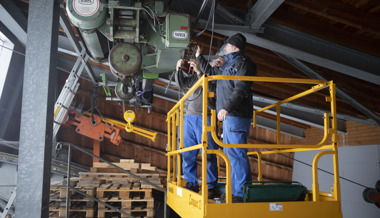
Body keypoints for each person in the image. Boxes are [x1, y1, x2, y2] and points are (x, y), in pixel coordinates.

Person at [194, 33, 257, 203]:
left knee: (236, 153)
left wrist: (226, 108)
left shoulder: (243, 63)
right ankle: (237, 190)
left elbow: (241, 88)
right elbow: (210, 73)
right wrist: (199, 57)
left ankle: (240, 193)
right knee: (231, 154)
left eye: (227, 45)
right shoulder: (227, 64)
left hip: (236, 115)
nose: (225, 47)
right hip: (230, 116)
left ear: (234, 47)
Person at [174, 57, 219, 199]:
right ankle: (191, 183)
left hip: (207, 117)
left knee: (209, 153)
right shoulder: (194, 78)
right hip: (189, 119)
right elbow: (181, 84)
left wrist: (200, 71)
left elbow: (210, 87)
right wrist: (178, 69)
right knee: (188, 153)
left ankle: (210, 186)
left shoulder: (214, 78)